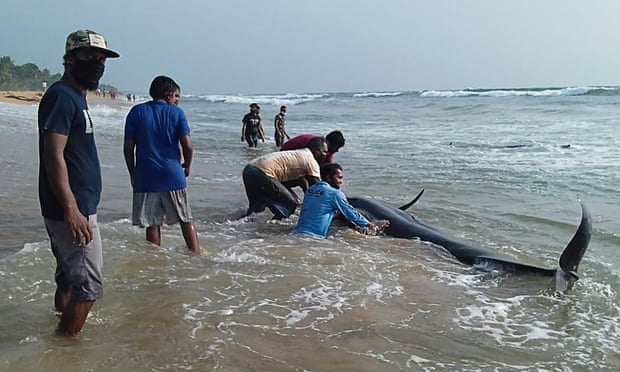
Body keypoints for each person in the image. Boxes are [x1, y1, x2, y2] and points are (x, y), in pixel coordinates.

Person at [38, 29, 120, 336]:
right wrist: (72, 208)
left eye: (102, 58)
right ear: (69, 59)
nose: (97, 63)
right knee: (88, 289)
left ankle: (58, 328)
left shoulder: (75, 96)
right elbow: (53, 155)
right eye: (89, 56)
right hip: (72, 210)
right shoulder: (61, 96)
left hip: (72, 205)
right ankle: (63, 352)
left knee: (69, 279)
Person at [123, 76, 201, 255]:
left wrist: (132, 173)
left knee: (152, 221)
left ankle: (155, 259)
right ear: (168, 96)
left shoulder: (136, 112)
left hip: (145, 174)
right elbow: (187, 146)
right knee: (185, 218)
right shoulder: (177, 113)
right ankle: (196, 256)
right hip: (172, 174)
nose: (177, 101)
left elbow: (128, 148)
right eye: (176, 97)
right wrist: (187, 166)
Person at [295, 163, 389, 238]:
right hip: (314, 237)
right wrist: (370, 224)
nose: (341, 181)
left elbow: (316, 211)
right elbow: (350, 213)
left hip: (297, 233)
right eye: (339, 178)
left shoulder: (311, 190)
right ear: (328, 177)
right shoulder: (334, 193)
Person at [242, 137, 327, 219]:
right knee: (291, 204)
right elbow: (319, 187)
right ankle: (273, 229)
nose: (326, 155)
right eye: (325, 152)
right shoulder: (311, 161)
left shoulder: (300, 154)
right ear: (318, 151)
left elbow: (303, 182)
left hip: (249, 169)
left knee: (256, 209)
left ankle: (239, 226)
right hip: (262, 172)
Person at [280, 130, 345, 163]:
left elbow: (328, 168)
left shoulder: (328, 151)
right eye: (337, 147)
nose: (337, 150)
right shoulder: (313, 144)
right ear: (330, 143)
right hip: (284, 156)